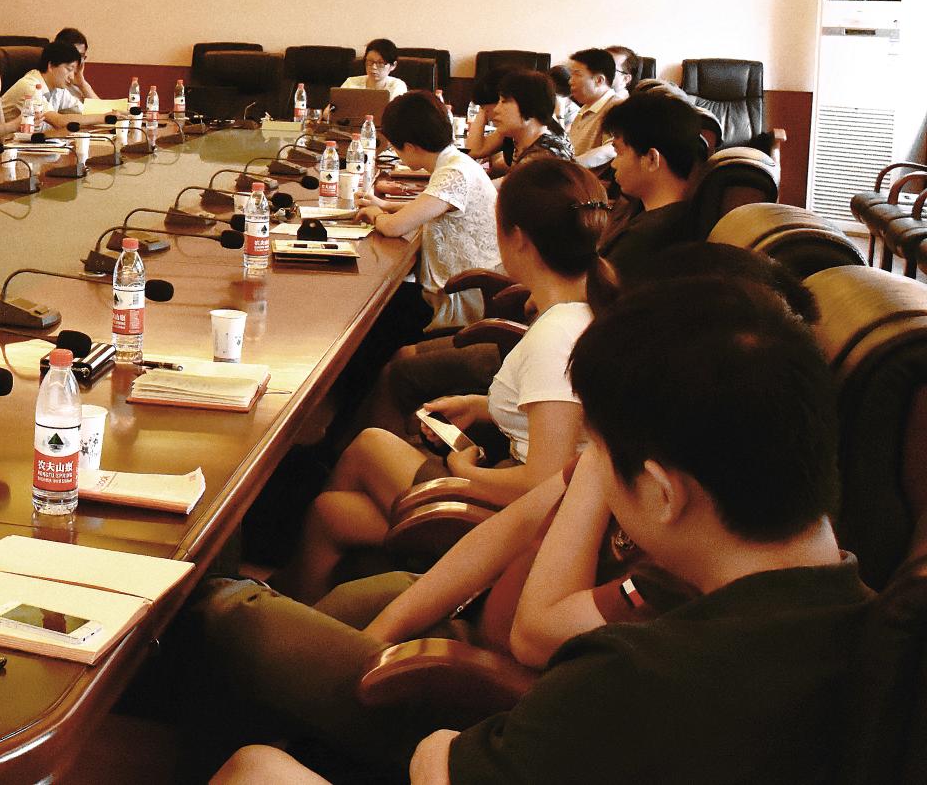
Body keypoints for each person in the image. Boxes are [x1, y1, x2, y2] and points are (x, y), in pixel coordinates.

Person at [220, 276, 867, 785]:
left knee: (252, 762)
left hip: (473, 706)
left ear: (663, 492)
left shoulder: (646, 670)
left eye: (600, 455)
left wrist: (435, 746)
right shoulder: (867, 621)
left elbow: (446, 762)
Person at [281, 157, 606, 599]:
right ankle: (296, 608)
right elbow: (559, 416)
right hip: (528, 506)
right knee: (331, 512)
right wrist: (481, 407)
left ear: (517, 238)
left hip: (523, 526)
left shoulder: (557, 335)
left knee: (369, 445)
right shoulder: (581, 308)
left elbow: (543, 481)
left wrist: (462, 470)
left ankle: (287, 604)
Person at [356, 92, 500, 333]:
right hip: (468, 287)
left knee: (371, 312)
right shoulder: (456, 161)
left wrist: (375, 214)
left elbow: (394, 227)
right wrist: (386, 206)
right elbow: (434, 208)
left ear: (410, 147)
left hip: (460, 301)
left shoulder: (453, 174)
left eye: (395, 147)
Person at [599, 90, 709, 278]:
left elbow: (595, 289)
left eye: (619, 152)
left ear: (651, 159)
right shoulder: (673, 215)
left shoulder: (645, 239)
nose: (614, 164)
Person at [481, 69, 575, 175]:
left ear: (529, 105)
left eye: (504, 101)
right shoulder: (534, 143)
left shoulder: (542, 157)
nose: (496, 109)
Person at [0, 39, 83, 133]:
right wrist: (98, 118)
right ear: (51, 66)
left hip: (32, 141)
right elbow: (59, 122)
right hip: (7, 140)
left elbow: (86, 111)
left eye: (74, 72)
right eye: (69, 69)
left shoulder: (58, 89)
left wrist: (83, 84)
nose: (72, 77)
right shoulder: (30, 86)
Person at [564, 47, 626, 163]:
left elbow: (613, 148)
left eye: (577, 74)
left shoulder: (617, 108)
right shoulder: (586, 107)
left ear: (599, 80)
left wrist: (571, 166)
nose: (570, 81)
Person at [340, 38, 407, 99]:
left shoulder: (397, 86)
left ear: (393, 65)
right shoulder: (351, 83)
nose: (373, 67)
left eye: (380, 63)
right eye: (370, 61)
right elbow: (336, 105)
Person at [54, 26, 101, 102]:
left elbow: (100, 107)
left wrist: (82, 84)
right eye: (74, 55)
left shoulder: (78, 82)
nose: (77, 61)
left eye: (81, 56)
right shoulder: (51, 84)